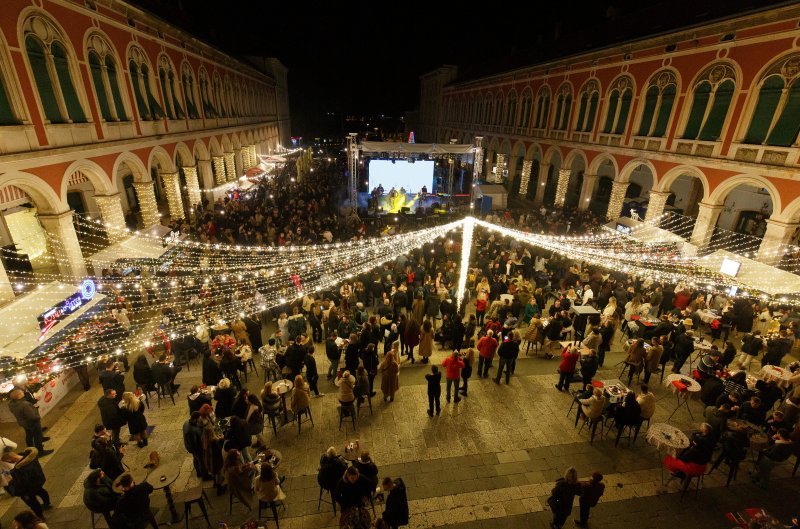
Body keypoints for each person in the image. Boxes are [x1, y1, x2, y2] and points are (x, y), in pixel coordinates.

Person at [4, 447, 50, 518]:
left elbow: (20, 483)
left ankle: (40, 517)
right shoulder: (30, 456)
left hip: (27, 490)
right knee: (41, 491)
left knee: (33, 503)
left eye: (8, 461)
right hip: (37, 481)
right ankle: (47, 503)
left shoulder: (19, 469)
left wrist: (11, 482)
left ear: (10, 459)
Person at [8, 390, 52, 456]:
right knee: (38, 437)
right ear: (18, 396)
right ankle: (40, 452)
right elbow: (32, 416)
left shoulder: (11, 404)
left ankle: (31, 449)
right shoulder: (24, 404)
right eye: (21, 392)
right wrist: (37, 418)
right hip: (32, 423)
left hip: (23, 423)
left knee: (29, 435)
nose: (23, 392)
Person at [183, 411, 211, 480]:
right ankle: (205, 476)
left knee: (195, 458)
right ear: (195, 419)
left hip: (189, 447)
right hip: (197, 448)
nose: (200, 419)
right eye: (199, 418)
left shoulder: (186, 423)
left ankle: (198, 472)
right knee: (201, 461)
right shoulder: (194, 430)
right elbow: (199, 440)